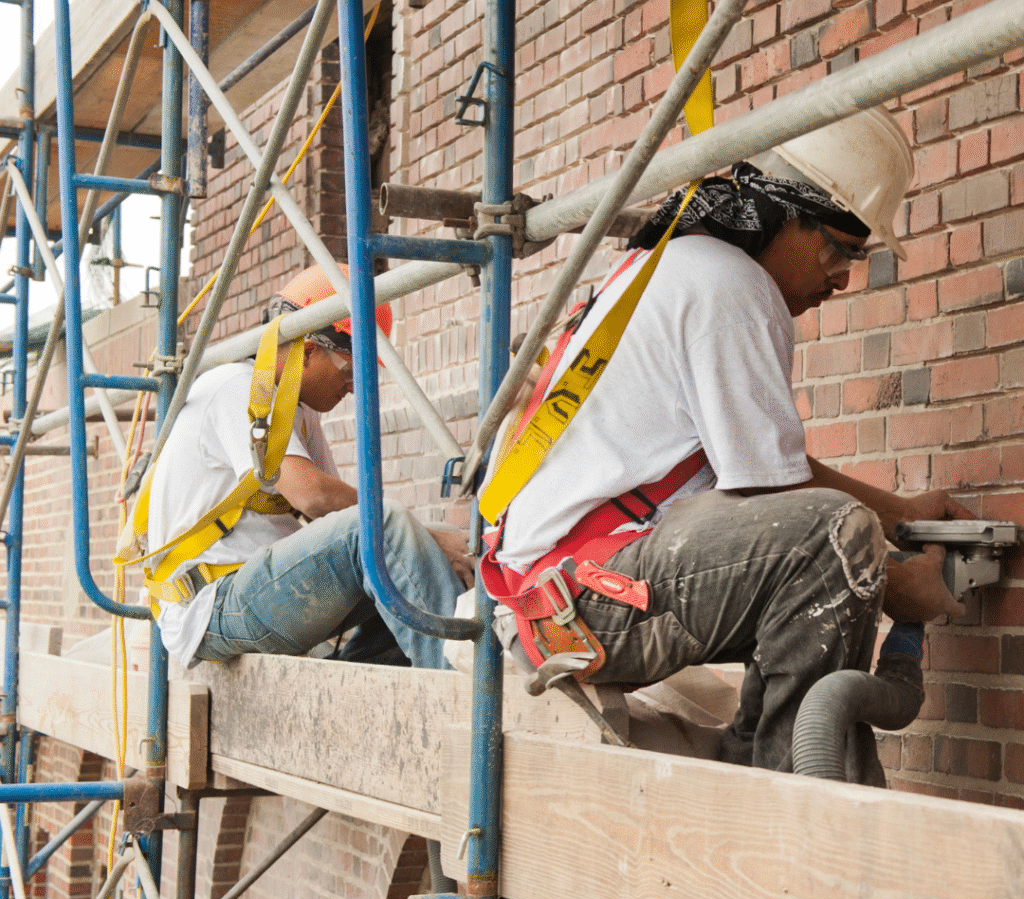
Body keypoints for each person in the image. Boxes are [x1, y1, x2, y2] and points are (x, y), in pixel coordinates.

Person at [482, 108, 971, 784]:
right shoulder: (729, 283)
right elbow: (782, 503)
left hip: (553, 590)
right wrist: (892, 581)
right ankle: (799, 788)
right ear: (784, 215)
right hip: (578, 599)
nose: (844, 278)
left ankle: (760, 757)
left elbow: (771, 473)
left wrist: (898, 512)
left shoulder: (682, 266)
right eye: (839, 249)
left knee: (822, 535)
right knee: (831, 537)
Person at [146, 263, 474, 671]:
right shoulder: (233, 386)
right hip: (212, 602)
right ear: (308, 349)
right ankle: (467, 687)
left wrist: (428, 543)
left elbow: (342, 520)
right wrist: (425, 536)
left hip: (256, 591)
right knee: (390, 529)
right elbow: (315, 497)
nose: (356, 385)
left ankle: (365, 688)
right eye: (352, 368)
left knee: (408, 551)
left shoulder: (298, 409)